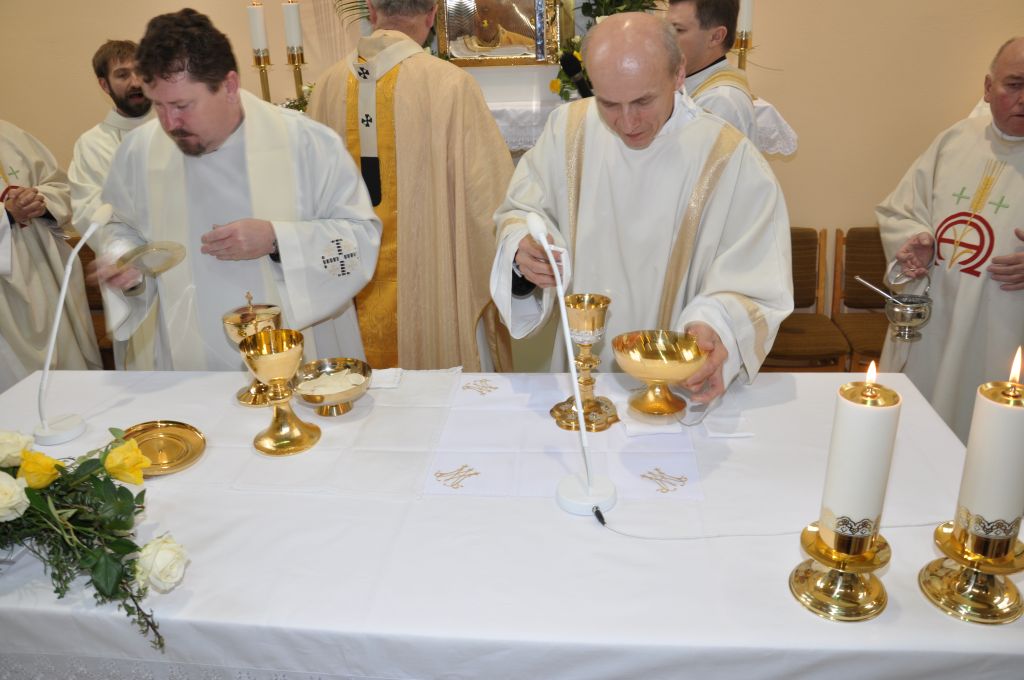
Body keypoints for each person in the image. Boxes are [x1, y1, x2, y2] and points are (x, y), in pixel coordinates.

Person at [490, 13, 792, 403]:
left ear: (678, 74)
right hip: (584, 380)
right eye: (609, 103)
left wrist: (715, 326)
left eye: (643, 101)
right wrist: (523, 252)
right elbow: (521, 211)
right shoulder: (568, 131)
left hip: (680, 383)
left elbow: (755, 279)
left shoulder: (730, 158)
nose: (628, 122)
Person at [95, 9, 381, 371]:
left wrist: (277, 240)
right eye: (159, 105)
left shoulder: (307, 143)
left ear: (229, 86)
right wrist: (124, 262)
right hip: (190, 357)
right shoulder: (139, 152)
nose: (169, 123)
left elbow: (359, 238)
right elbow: (120, 226)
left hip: (298, 351)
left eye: (182, 105)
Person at [308, 0, 513, 371]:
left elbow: (306, 199)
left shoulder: (326, 86)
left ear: (371, 11)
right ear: (432, 14)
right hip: (430, 291)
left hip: (346, 286)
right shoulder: (450, 85)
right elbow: (490, 201)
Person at [877, 36, 1024, 443]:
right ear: (988, 87)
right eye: (1015, 84)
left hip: (1004, 331)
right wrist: (916, 240)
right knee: (916, 439)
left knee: (991, 446)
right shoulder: (954, 141)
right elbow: (899, 210)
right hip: (935, 322)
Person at [0, 120, 101, 392]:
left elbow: (61, 186)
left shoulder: (10, 135)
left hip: (46, 274)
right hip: (5, 303)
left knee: (70, 379)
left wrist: (40, 201)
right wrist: (7, 214)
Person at [666, 0, 796, 156]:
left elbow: (690, 167)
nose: (666, 39)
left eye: (678, 30)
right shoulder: (696, 82)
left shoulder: (720, 101)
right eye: (666, 29)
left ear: (716, 37)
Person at [69, 40, 153, 238]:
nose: (135, 82)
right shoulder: (92, 144)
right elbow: (90, 214)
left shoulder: (179, 129)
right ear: (104, 84)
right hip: (133, 255)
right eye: (123, 75)